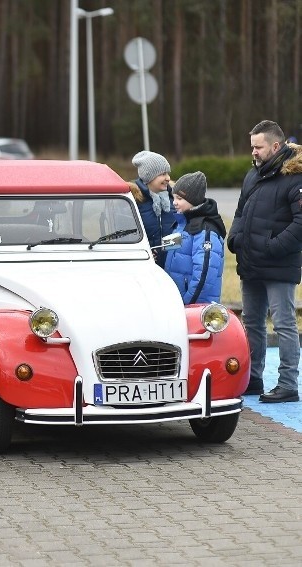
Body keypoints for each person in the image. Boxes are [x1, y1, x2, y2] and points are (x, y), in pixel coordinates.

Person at [228, 120, 302, 403]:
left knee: (283, 324)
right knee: (253, 323)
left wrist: (272, 247)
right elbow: (240, 211)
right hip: (251, 263)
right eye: (252, 147)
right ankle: (253, 378)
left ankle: (287, 385)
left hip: (278, 265)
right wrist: (235, 238)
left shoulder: (295, 177)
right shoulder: (253, 175)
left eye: (258, 147)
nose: (254, 152)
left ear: (275, 145)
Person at [163, 171, 226, 304]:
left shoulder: (205, 230)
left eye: (179, 199)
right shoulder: (182, 223)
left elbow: (204, 275)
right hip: (177, 303)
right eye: (173, 197)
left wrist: (188, 304)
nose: (174, 202)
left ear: (194, 200)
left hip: (195, 306)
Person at [129, 150, 176, 266]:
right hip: (146, 265)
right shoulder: (134, 202)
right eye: (162, 174)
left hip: (172, 264)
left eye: (168, 173)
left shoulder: (175, 198)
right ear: (148, 177)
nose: (168, 178)